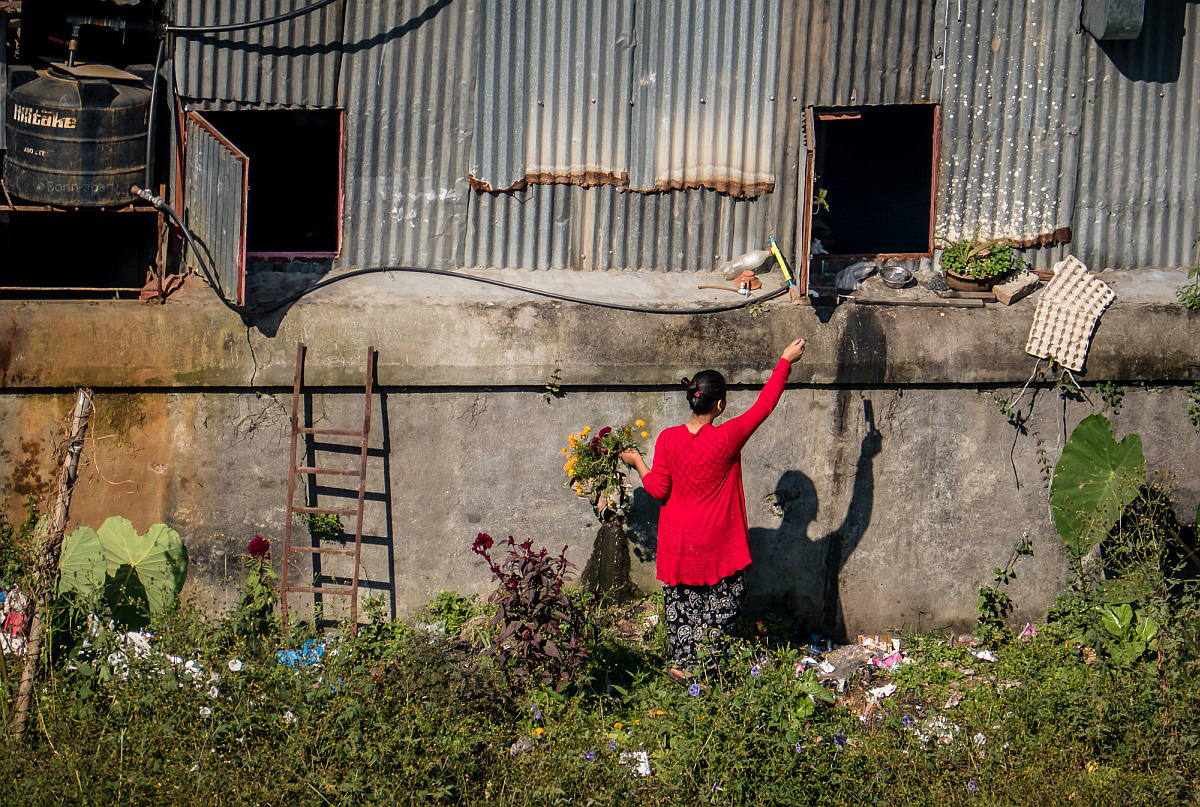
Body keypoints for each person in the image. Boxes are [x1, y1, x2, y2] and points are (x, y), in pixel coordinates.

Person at [621, 337, 807, 681]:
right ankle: (704, 666)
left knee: (682, 606)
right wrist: (785, 360)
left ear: (693, 400)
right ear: (719, 405)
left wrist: (637, 462)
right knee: (722, 604)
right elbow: (764, 407)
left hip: (680, 545)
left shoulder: (667, 439)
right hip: (719, 544)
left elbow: (659, 490)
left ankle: (682, 665)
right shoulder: (726, 437)